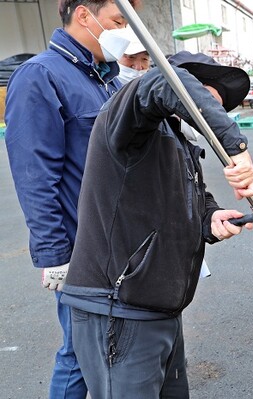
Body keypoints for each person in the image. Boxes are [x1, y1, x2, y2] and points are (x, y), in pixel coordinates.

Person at [59, 51, 253, 398]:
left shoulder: (178, 142)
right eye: (204, 99)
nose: (211, 114)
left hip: (160, 309)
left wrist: (210, 219)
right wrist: (237, 146)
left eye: (218, 107)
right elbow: (159, 81)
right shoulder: (127, 121)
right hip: (118, 309)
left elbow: (188, 197)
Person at [4, 1, 141, 397]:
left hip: (119, 246)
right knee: (81, 354)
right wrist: (53, 256)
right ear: (84, 15)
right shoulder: (41, 76)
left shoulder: (106, 81)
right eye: (118, 21)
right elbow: (34, 175)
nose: (125, 33)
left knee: (103, 350)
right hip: (83, 254)